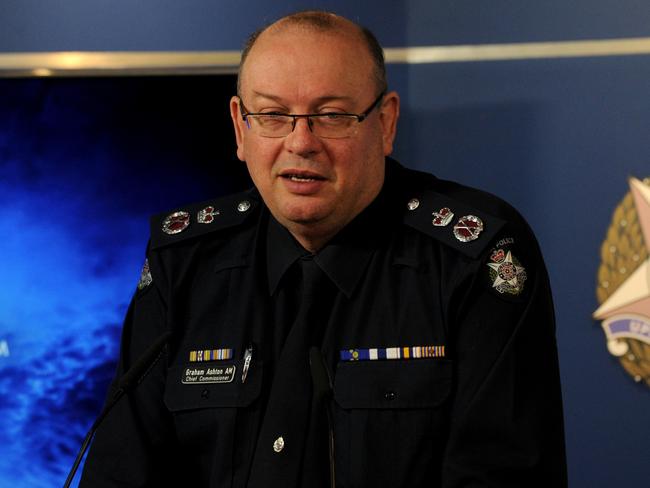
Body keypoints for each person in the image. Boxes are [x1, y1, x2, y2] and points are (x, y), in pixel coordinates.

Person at [80, 10, 567, 488]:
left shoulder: (474, 255)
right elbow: (121, 471)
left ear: (386, 123)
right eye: (272, 116)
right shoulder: (183, 261)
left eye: (331, 116)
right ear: (239, 127)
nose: (301, 143)